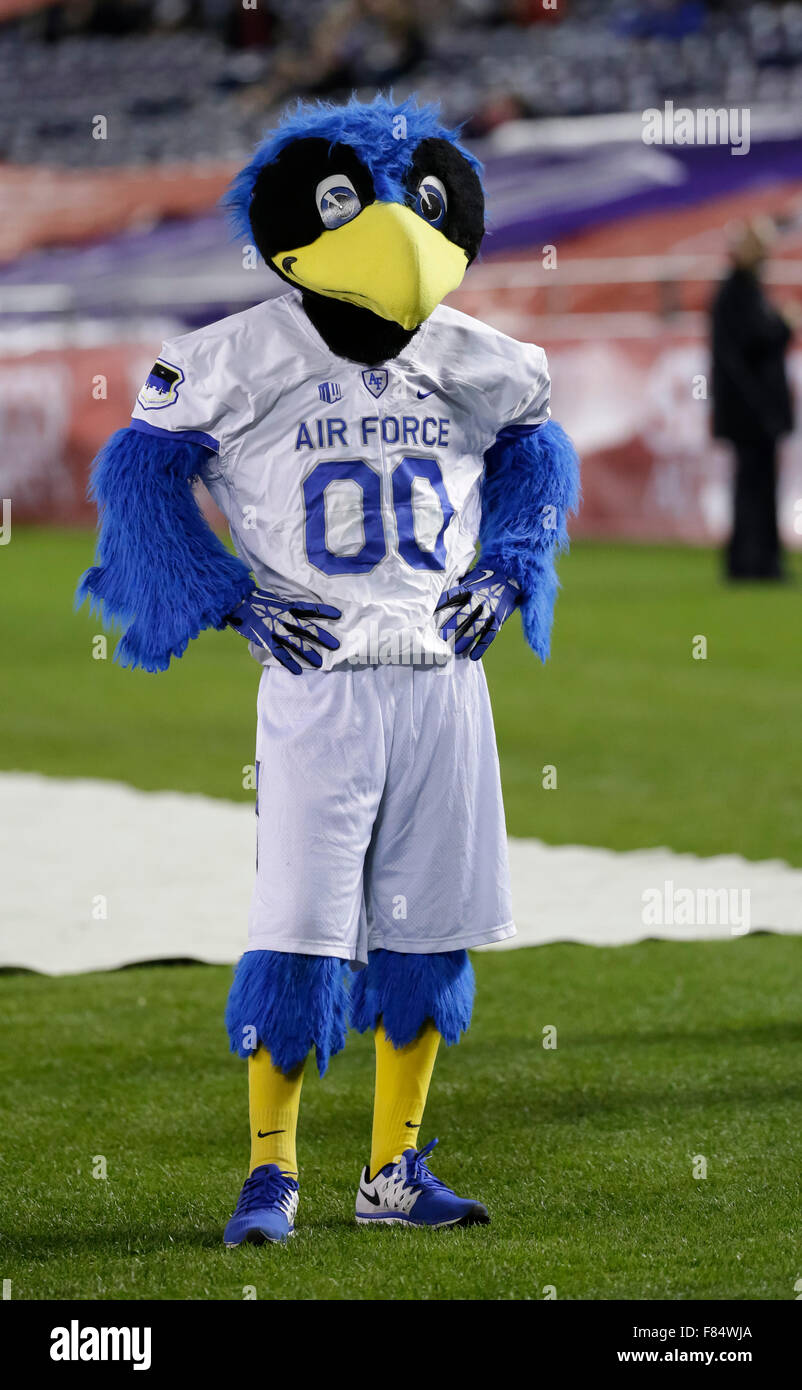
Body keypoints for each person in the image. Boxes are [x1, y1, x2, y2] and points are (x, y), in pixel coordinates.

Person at [711, 216, 796, 580]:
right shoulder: (738, 293)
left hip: (752, 410)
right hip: (751, 411)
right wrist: (783, 324)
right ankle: (752, 562)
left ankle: (758, 560)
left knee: (756, 485)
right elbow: (754, 344)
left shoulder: (743, 291)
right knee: (753, 486)